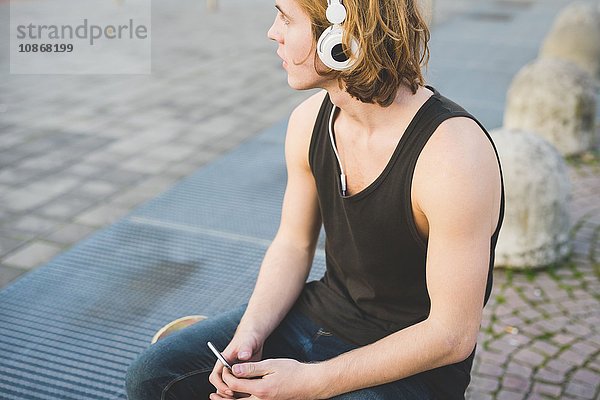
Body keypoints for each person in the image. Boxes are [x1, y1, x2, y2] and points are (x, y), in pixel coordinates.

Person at [125, 0, 504, 398]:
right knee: (152, 377)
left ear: (339, 36)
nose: (273, 31)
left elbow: (451, 335)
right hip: (322, 314)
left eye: (286, 17)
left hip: (412, 361)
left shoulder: (453, 154)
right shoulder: (308, 122)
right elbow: (294, 243)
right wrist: (249, 335)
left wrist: (311, 383)